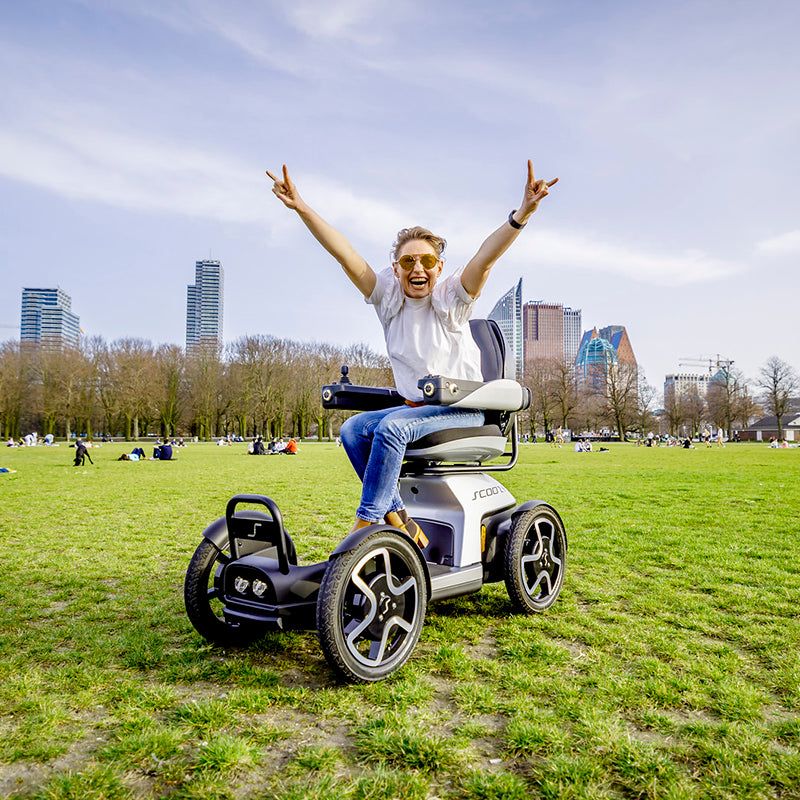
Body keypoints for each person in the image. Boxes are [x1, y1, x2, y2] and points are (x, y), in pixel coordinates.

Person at [267, 160, 557, 541]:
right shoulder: (389, 301)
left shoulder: (452, 299)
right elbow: (345, 255)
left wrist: (522, 214)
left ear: (439, 268)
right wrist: (302, 207)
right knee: (353, 429)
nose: (417, 268)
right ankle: (400, 518)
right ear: (397, 268)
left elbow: (485, 259)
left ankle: (366, 525)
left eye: (427, 261)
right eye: (408, 261)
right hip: (417, 410)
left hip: (464, 410)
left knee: (391, 428)